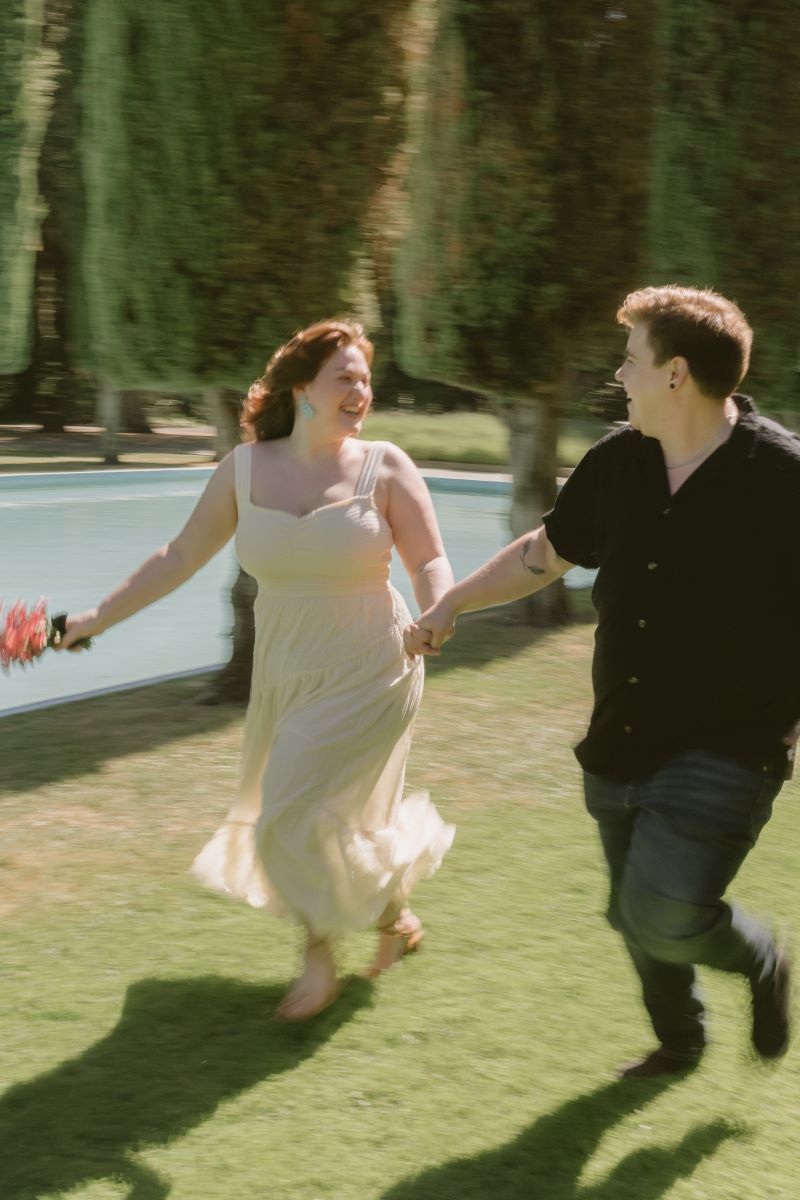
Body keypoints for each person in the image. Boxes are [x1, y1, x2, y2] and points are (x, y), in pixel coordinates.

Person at [406, 285, 798, 1077]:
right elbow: (544, 554)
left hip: (733, 740)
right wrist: (454, 601)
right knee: (633, 913)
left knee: (661, 911)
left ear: (676, 373)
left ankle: (762, 960)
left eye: (631, 359)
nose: (621, 376)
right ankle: (680, 1040)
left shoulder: (780, 474)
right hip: (623, 730)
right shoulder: (618, 461)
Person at [61, 319, 455, 1020]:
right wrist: (95, 620)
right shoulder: (242, 470)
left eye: (366, 378)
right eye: (346, 377)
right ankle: (395, 917)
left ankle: (317, 954)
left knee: (290, 806)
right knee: (339, 810)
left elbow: (427, 558)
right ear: (303, 388)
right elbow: (179, 557)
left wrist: (436, 613)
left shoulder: (385, 465)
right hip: (288, 665)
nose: (362, 390)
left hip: (374, 657)